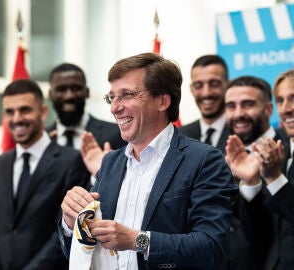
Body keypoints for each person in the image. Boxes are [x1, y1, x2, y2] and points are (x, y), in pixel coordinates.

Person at [59, 52, 238, 269]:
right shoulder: (110, 163)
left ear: (162, 101)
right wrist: (72, 222)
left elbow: (211, 247)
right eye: (112, 97)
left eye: (126, 95)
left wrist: (137, 240)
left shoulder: (204, 160)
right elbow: (82, 252)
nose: (114, 108)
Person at [0, 79, 90, 270]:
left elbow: (66, 230)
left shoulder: (72, 162)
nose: (16, 118)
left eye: (25, 110)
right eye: (10, 112)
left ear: (43, 112)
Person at [224, 75, 293, 269]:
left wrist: (271, 176)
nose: (238, 114)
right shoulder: (223, 155)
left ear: (268, 110)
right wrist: (251, 184)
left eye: (247, 104)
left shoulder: (288, 146)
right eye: (231, 106)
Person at [46, 63, 126, 150]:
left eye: (76, 88)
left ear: (87, 92)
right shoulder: (43, 139)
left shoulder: (116, 134)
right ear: (50, 94)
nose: (69, 96)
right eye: (61, 89)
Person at [180, 55, 230, 153]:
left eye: (214, 84)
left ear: (228, 85)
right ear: (192, 89)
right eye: (198, 86)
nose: (206, 93)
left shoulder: (243, 133)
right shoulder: (180, 136)